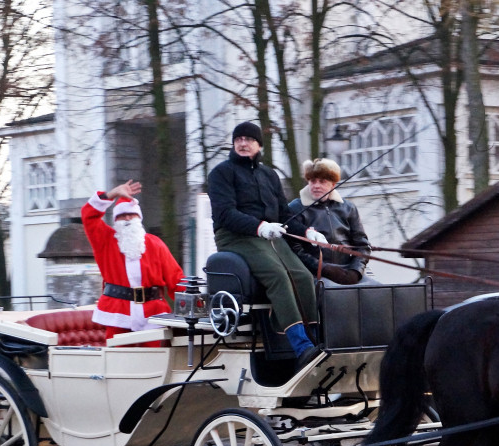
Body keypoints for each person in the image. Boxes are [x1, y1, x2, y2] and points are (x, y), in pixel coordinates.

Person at [207, 122, 322, 369]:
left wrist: (308, 232)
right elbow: (226, 214)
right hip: (236, 237)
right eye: (239, 139)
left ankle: (315, 341)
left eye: (249, 139)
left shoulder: (268, 175)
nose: (243, 143)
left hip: (269, 236)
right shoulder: (221, 173)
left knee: (302, 276)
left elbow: (283, 213)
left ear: (259, 145)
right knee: (278, 276)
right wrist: (260, 226)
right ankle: (301, 346)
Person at [81, 180, 184, 341]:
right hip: (117, 313)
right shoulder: (106, 241)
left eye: (131, 214)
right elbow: (88, 216)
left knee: (156, 361)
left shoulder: (155, 244)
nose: (127, 218)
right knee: (119, 361)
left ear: (139, 217)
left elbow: (176, 280)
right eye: (122, 216)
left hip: (153, 314)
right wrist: (112, 194)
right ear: (115, 221)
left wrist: (195, 308)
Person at [288, 158, 372, 285]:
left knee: (378, 290)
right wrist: (324, 269)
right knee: (336, 293)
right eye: (312, 181)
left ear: (333, 185)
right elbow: (294, 249)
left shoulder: (348, 208)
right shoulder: (295, 208)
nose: (316, 185)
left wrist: (355, 271)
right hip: (314, 274)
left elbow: (362, 246)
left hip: (348, 270)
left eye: (322, 181)